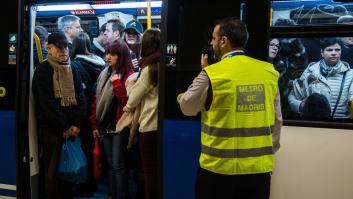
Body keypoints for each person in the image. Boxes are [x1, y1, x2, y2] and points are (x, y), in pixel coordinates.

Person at [178, 17, 282, 199]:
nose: (211, 43)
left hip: (218, 172)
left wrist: (184, 93)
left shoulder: (212, 73)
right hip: (258, 173)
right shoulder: (268, 72)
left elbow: (187, 107)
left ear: (224, 41)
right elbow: (277, 120)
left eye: (213, 38)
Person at [32, 32, 86, 199]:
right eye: (59, 48)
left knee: (69, 171)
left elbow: (81, 98)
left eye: (66, 47)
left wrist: (76, 124)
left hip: (71, 129)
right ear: (49, 49)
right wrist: (64, 126)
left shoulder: (74, 68)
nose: (64, 51)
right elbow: (46, 104)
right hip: (52, 131)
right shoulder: (42, 71)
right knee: (52, 172)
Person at [90, 40, 133, 199]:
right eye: (107, 53)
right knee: (110, 164)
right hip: (105, 125)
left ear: (121, 56)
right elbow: (96, 100)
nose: (108, 57)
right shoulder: (103, 73)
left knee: (118, 165)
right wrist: (94, 124)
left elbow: (127, 103)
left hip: (120, 127)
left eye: (113, 54)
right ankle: (111, 194)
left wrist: (116, 83)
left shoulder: (129, 75)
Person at [123, 28, 161, 199]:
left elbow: (132, 99)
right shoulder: (163, 63)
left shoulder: (148, 69)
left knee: (149, 171)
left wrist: (129, 84)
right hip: (162, 125)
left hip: (149, 126)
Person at [70, 32, 106, 196]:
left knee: (83, 150)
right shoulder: (100, 62)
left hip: (83, 113)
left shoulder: (75, 65)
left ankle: (84, 184)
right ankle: (96, 181)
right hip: (98, 110)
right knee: (95, 149)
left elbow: (79, 93)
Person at [288, 38, 353, 119]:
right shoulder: (309, 72)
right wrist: (301, 105)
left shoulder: (350, 74)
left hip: (341, 125)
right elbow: (293, 96)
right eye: (329, 50)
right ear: (322, 52)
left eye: (337, 50)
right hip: (315, 124)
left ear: (341, 51)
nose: (334, 53)